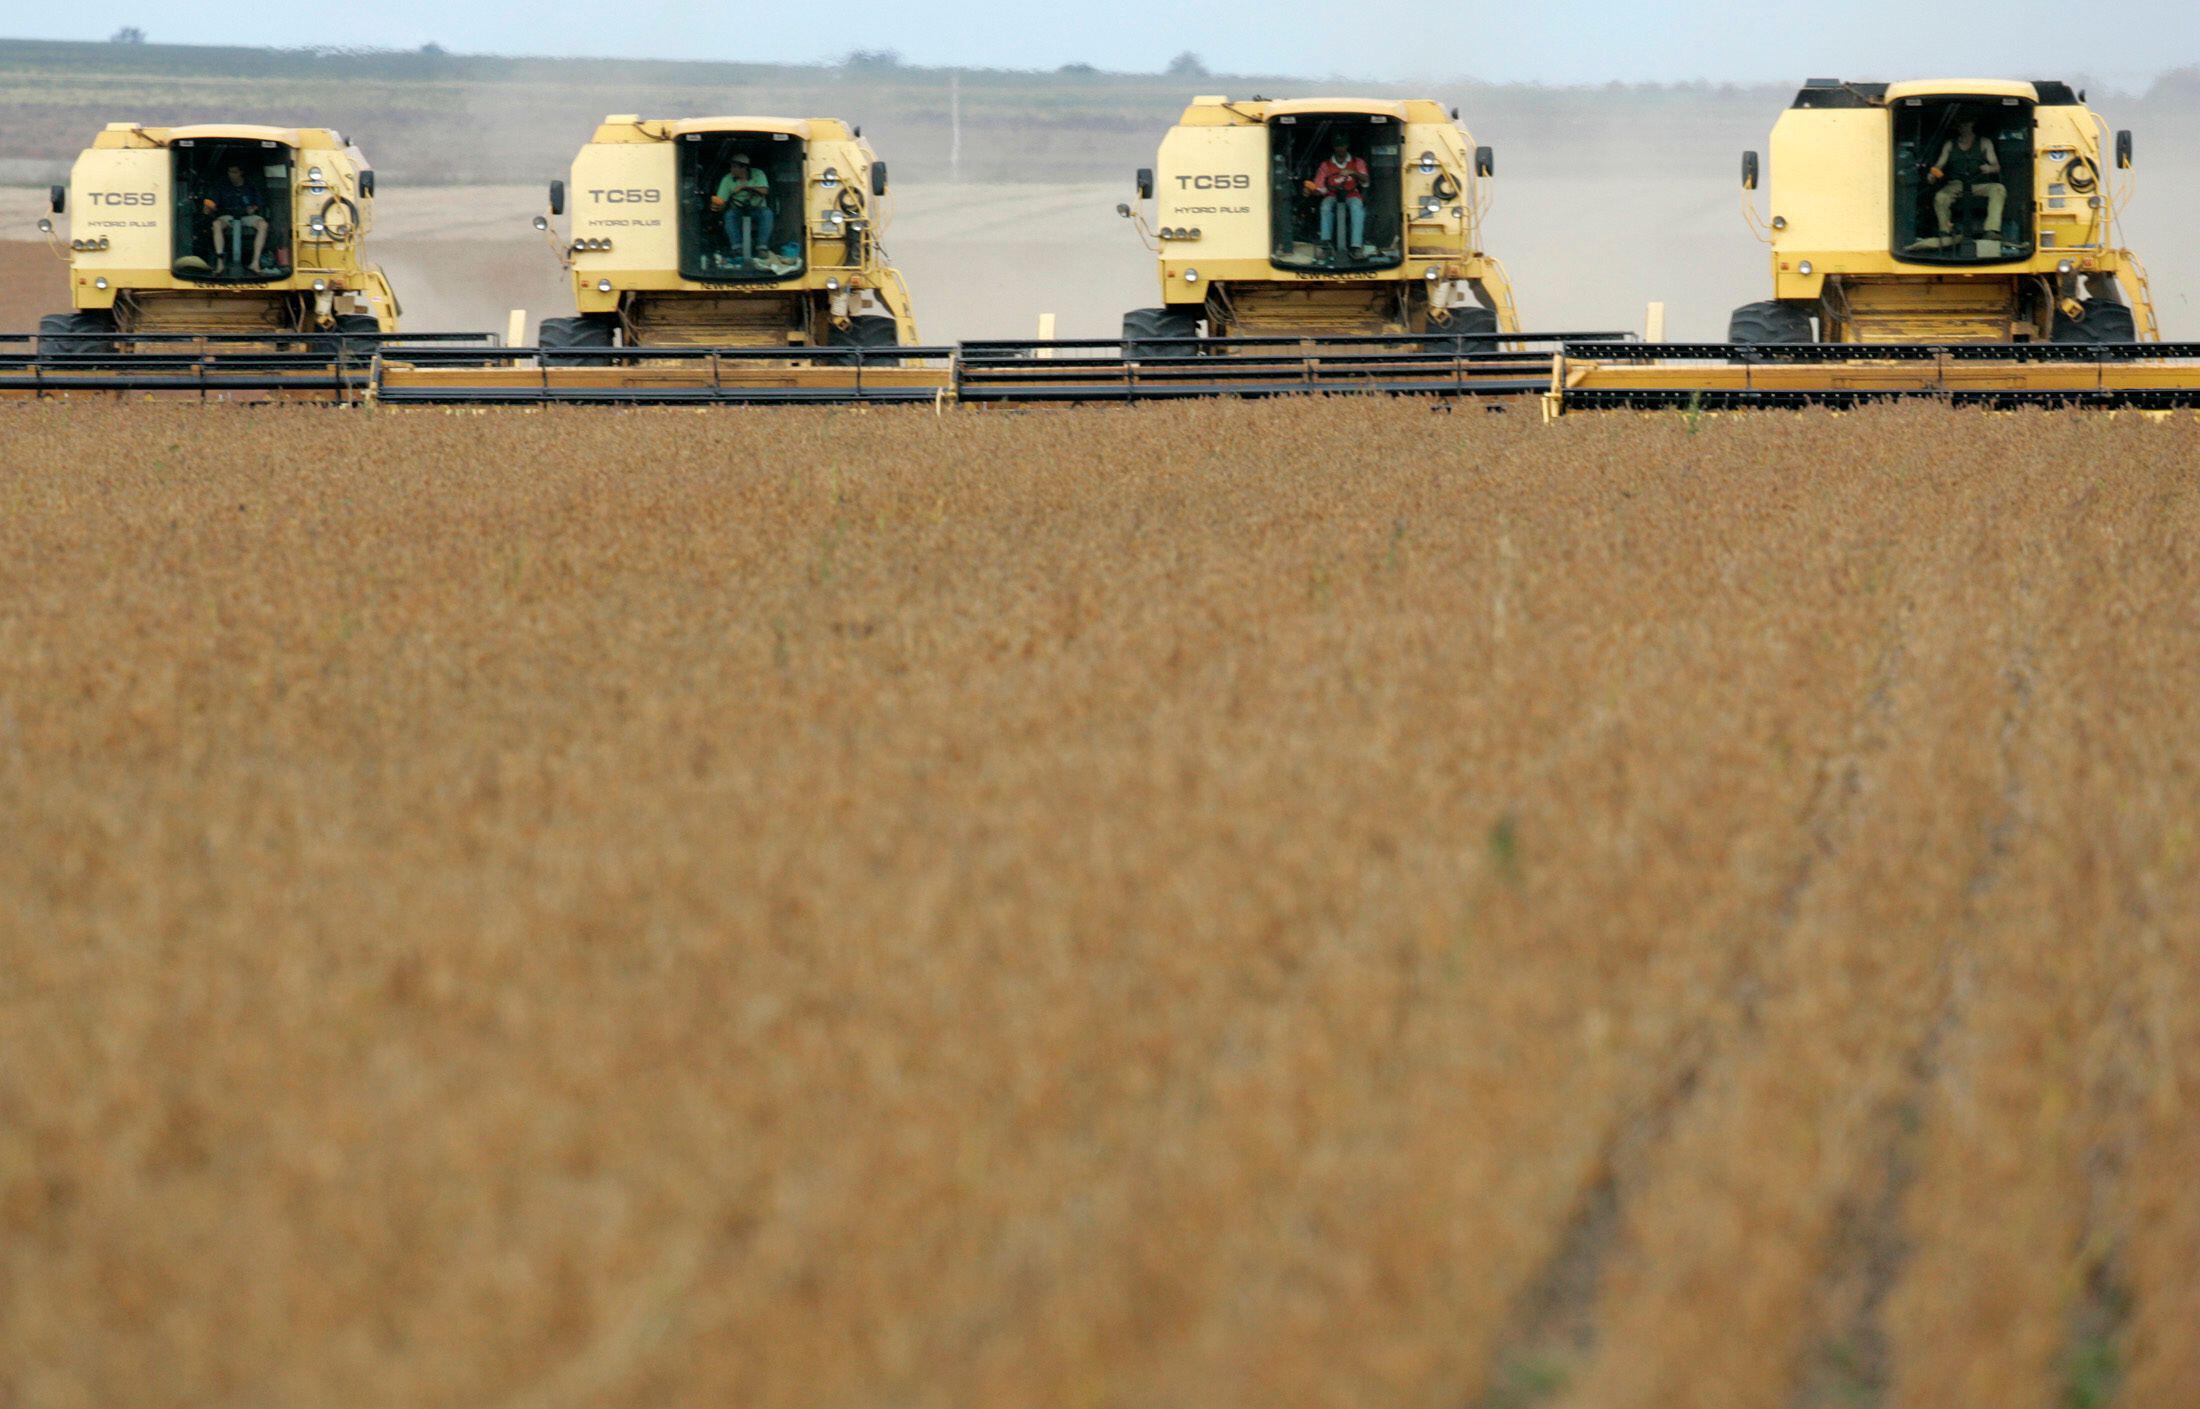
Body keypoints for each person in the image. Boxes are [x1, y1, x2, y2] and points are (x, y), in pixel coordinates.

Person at [1920, 116, 2006, 250]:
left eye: (1966, 123)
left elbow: (1996, 166)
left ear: (1972, 124)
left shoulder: (1984, 143)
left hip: (1979, 184)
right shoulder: (1950, 144)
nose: (1962, 126)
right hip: (1957, 184)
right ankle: (1945, 232)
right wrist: (1933, 173)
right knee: (1941, 197)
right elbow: (1940, 164)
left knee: (1998, 189)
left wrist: (1989, 168)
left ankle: (1991, 230)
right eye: (1959, 124)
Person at [1304, 134, 1373, 261]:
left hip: (1352, 194)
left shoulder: (1357, 162)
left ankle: (1356, 247)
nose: (1340, 149)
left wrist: (1353, 172)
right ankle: (1326, 245)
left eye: (1342, 146)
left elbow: (1366, 181)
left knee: (1357, 209)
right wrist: (1311, 191)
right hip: (1332, 195)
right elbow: (1320, 188)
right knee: (1325, 207)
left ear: (1347, 146)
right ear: (1334, 147)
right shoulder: (1325, 165)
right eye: (1337, 146)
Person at [204, 162, 270, 275]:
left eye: (234, 172)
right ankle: (220, 264)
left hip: (246, 217)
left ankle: (255, 262)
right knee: (216, 224)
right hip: (228, 216)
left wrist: (253, 208)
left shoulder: (250, 185)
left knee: (263, 225)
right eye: (230, 172)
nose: (231, 174)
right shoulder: (222, 185)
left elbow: (258, 202)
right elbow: (212, 202)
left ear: (241, 173)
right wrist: (209, 206)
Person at [709, 153, 773, 266]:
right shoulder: (727, 179)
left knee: (767, 214)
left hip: (758, 208)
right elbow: (722, 200)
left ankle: (762, 248)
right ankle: (737, 248)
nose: (731, 169)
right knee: (729, 215)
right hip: (737, 209)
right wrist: (718, 205)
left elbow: (765, 191)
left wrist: (745, 187)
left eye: (734, 167)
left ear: (744, 168)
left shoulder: (758, 174)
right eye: (731, 166)